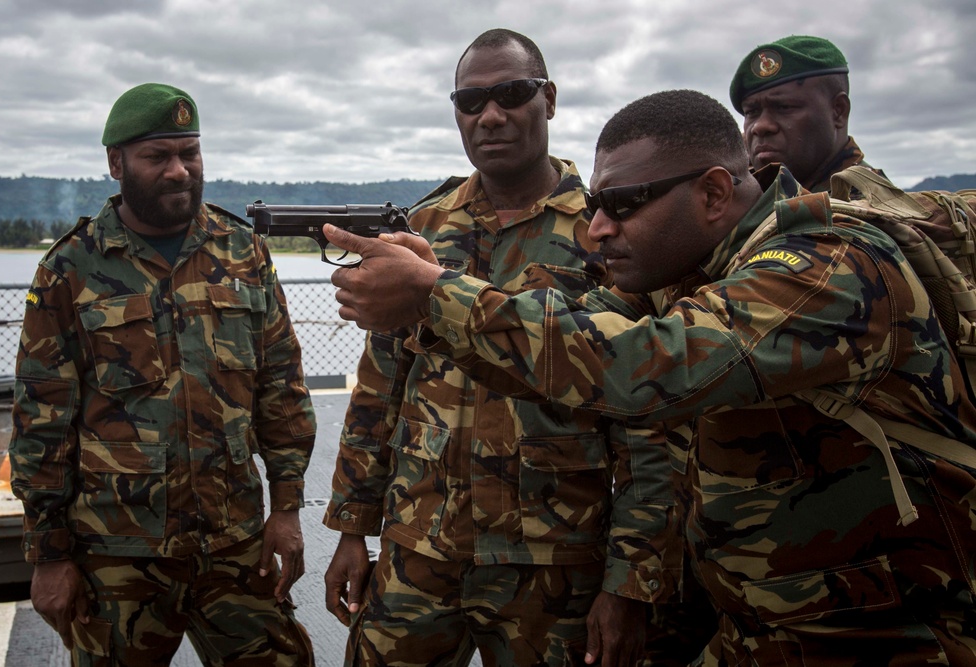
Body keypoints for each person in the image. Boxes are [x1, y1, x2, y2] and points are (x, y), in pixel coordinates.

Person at [324, 89, 976, 665]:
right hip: (764, 623)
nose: (599, 228)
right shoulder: (688, 274)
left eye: (624, 205)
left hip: (881, 635)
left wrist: (437, 293)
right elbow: (575, 327)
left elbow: (639, 366)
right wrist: (428, 303)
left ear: (716, 193)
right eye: (597, 205)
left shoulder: (823, 270)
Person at [322, 29, 694, 667]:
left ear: (548, 99)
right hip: (421, 549)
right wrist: (353, 528)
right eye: (470, 102)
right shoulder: (424, 229)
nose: (489, 116)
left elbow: (650, 419)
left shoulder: (606, 231)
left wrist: (630, 582)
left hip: (554, 563)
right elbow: (381, 385)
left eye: (511, 95)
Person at [8, 83, 317, 666]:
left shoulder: (242, 252)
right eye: (158, 157)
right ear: (116, 163)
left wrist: (287, 507)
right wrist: (49, 555)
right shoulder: (70, 269)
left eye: (190, 153)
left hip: (235, 543)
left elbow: (282, 387)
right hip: (116, 555)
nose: (179, 171)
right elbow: (41, 423)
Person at [730, 34, 885, 192]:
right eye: (751, 112)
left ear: (838, 111)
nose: (760, 126)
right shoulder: (744, 189)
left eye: (784, 107)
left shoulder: (867, 207)